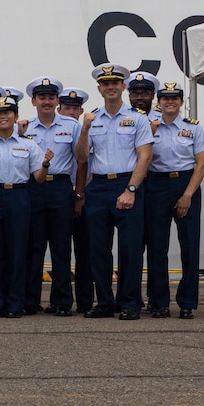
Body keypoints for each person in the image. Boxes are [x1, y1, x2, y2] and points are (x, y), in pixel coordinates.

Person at [75, 63, 153, 320]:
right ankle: (105, 302)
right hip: (98, 187)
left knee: (130, 249)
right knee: (98, 249)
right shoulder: (91, 119)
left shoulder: (138, 119)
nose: (110, 87)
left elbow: (144, 157)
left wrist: (131, 189)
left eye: (115, 83)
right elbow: (82, 157)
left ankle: (130, 303)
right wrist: (85, 128)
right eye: (105, 83)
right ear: (99, 88)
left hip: (126, 183)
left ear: (122, 87)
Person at [0, 96, 49, 317]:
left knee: (18, 252)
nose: (3, 116)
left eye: (8, 112)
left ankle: (15, 304)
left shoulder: (28, 145)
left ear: (16, 117)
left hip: (19, 196)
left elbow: (39, 178)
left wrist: (45, 164)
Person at [144, 81, 204, 319]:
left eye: (174, 98)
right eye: (165, 98)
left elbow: (202, 164)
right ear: (158, 102)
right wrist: (148, 133)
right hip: (157, 185)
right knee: (157, 246)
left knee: (190, 246)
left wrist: (188, 195)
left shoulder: (193, 127)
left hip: (186, 183)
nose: (170, 102)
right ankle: (159, 302)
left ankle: (187, 302)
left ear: (181, 102)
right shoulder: (149, 126)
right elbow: (139, 157)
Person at [19, 76, 80, 316]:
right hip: (33, 188)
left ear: (57, 100)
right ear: (33, 101)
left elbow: (80, 161)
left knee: (61, 247)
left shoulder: (71, 126)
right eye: (41, 97)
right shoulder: (24, 128)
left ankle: (62, 301)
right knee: (33, 247)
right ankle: (30, 300)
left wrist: (78, 192)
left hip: (60, 189)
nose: (47, 101)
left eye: (51, 97)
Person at [58, 86, 94, 313]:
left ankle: (85, 300)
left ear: (81, 110)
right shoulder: (38, 129)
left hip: (84, 193)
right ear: (60, 109)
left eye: (75, 108)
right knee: (60, 249)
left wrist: (81, 194)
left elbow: (87, 163)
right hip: (57, 194)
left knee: (85, 251)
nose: (71, 112)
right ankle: (59, 300)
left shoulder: (87, 131)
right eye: (67, 108)